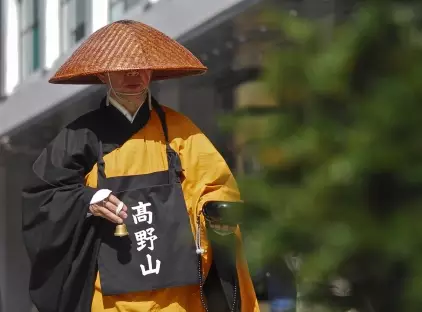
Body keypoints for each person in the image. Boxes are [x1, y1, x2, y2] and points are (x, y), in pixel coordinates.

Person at [21, 20, 259, 312]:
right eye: (122, 68)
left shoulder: (180, 130)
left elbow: (215, 187)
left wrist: (214, 212)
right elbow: (42, 197)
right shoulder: (79, 137)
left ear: (153, 71)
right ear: (103, 73)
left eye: (141, 66)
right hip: (107, 296)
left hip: (176, 295)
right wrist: (88, 199)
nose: (133, 75)